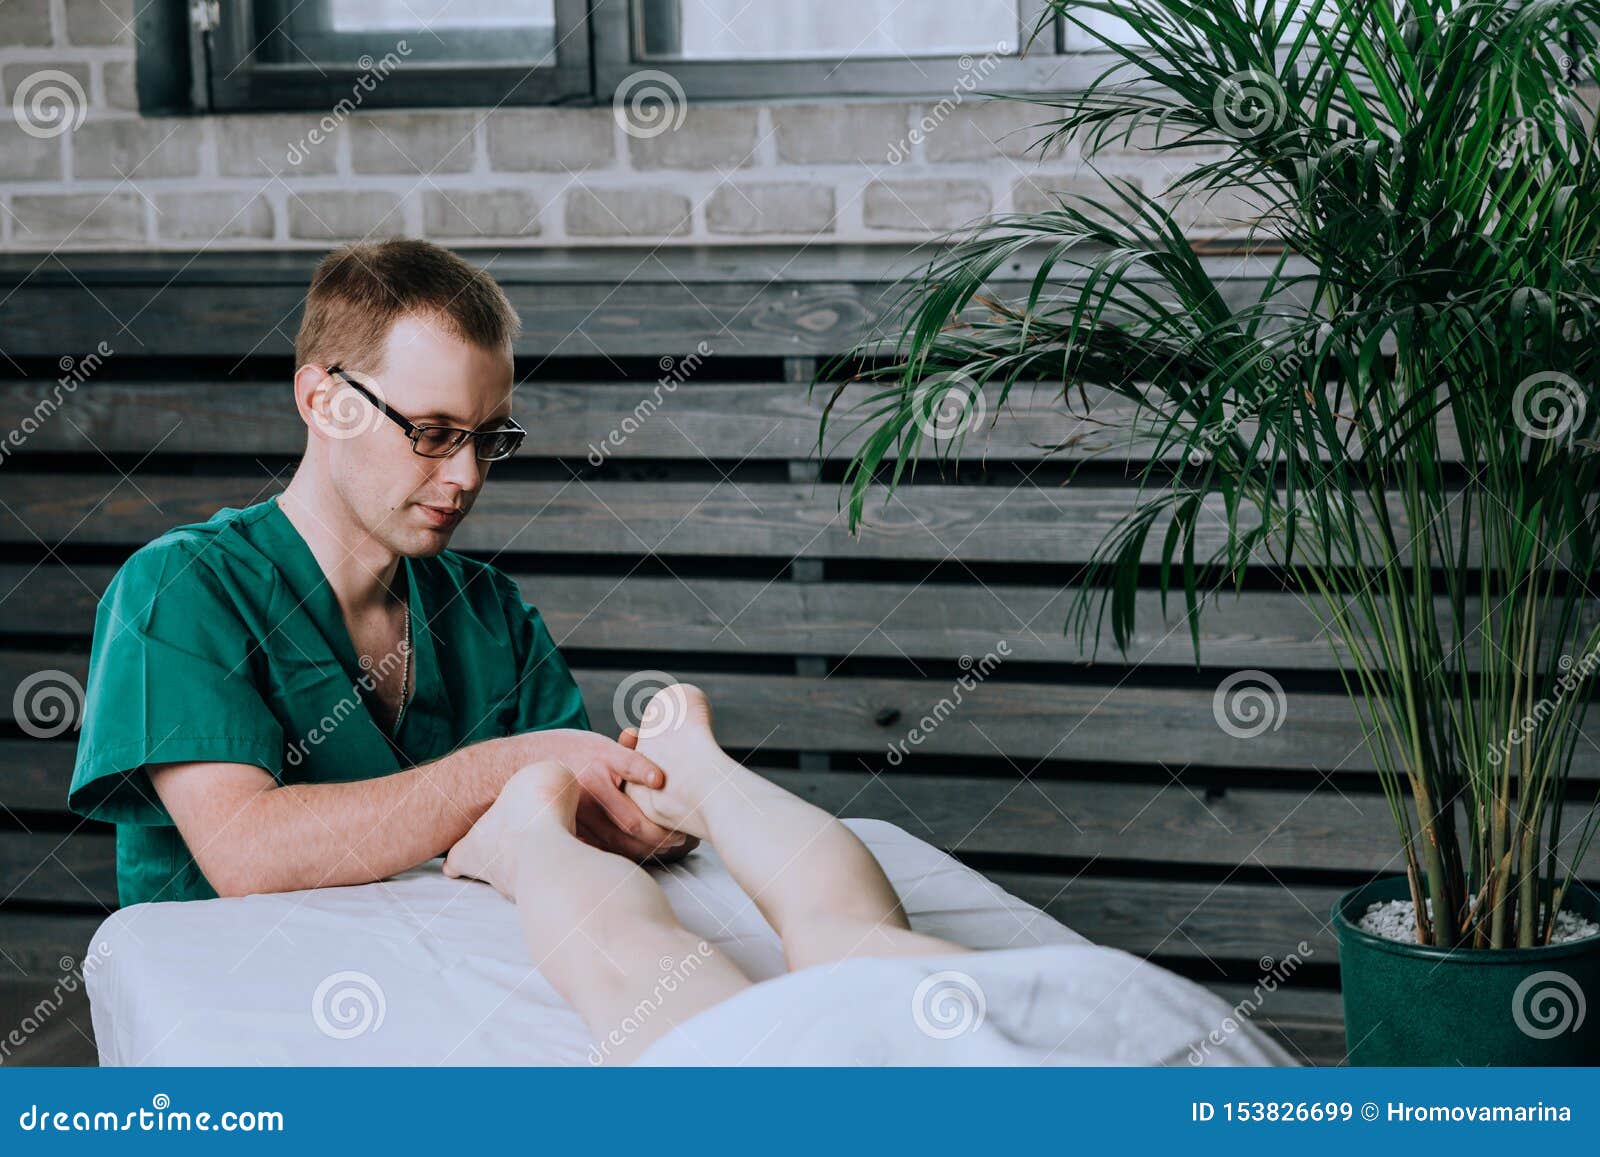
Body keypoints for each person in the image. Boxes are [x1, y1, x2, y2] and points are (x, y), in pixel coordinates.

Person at [68, 239, 689, 906]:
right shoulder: (179, 590)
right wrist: (500, 768)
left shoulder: (489, 613)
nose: (466, 476)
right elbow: (247, 853)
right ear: (323, 401)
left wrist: (640, 811)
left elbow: (565, 823)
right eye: (432, 430)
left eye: (489, 438)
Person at [445, 682, 1296, 1067]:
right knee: (828, 947)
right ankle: (652, 789)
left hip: (1133, 1036)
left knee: (837, 947)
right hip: (1138, 1056)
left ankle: (560, 818)